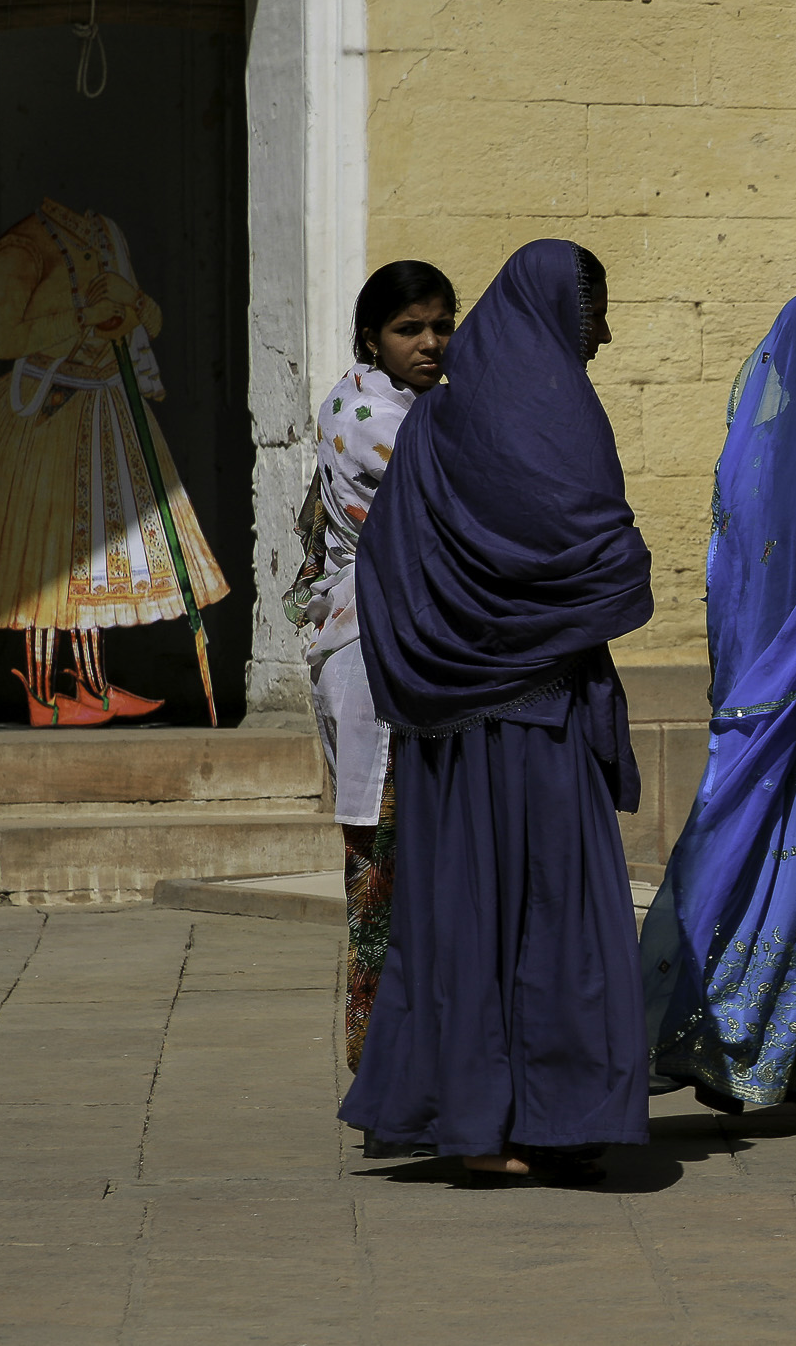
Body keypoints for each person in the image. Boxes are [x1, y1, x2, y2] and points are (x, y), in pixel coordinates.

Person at [338, 239, 652, 1186]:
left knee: (464, 915)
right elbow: (594, 551)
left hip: (448, 722)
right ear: (561, 313)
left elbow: (386, 560)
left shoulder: (439, 421)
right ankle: (556, 1117)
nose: (602, 331)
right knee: (556, 914)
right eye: (593, 310)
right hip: (535, 719)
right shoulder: (550, 413)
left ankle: (477, 1123)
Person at [639, 289, 796, 1112]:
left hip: (748, 691)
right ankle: (755, 1055)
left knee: (734, 858)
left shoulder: (747, 450)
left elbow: (722, 574)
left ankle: (696, 1029)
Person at [0, 200, 230, 725]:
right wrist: (87, 314)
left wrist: (130, 304)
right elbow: (9, 338)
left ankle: (93, 685)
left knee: (95, 557)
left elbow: (146, 320)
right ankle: (42, 693)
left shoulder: (107, 230)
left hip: (106, 404)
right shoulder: (22, 242)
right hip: (42, 411)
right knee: (44, 556)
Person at [284, 260, 456, 1076]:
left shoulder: (420, 404)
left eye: (440, 326)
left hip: (402, 651)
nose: (429, 344)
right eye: (408, 329)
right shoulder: (367, 414)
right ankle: (384, 1064)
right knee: (384, 872)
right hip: (372, 659)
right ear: (369, 339)